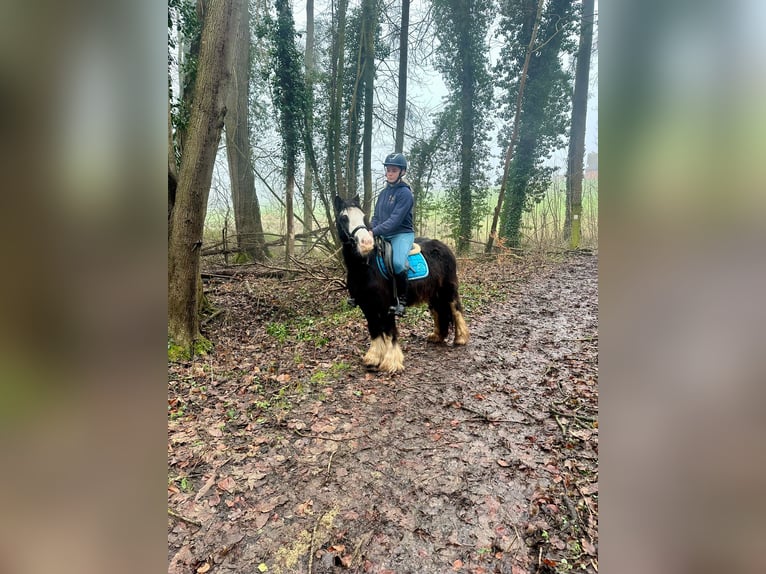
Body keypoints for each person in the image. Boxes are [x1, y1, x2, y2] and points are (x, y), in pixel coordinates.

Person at [371, 152, 414, 316]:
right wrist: (370, 230)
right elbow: (376, 217)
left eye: (394, 170)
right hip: (383, 234)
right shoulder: (383, 193)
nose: (389, 173)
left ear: (402, 172)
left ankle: (402, 301)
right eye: (388, 170)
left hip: (401, 234)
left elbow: (395, 221)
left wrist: (375, 230)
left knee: (397, 263)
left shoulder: (405, 194)